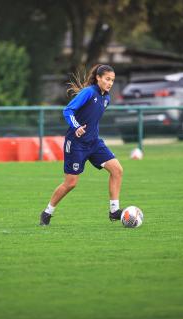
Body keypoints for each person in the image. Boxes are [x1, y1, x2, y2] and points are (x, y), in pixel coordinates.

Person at [39, 64, 123, 226]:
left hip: (94, 143)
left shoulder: (106, 98)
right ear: (98, 78)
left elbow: (92, 120)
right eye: (107, 79)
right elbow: (67, 111)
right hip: (76, 143)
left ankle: (114, 211)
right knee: (71, 183)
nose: (110, 83)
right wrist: (77, 127)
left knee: (117, 170)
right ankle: (47, 212)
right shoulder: (88, 92)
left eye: (112, 80)